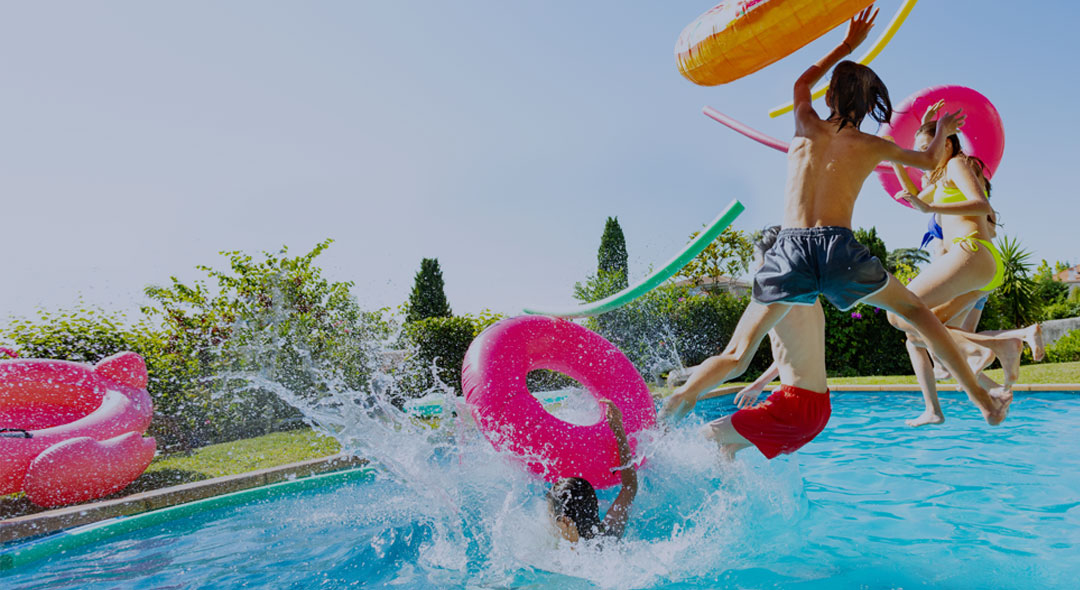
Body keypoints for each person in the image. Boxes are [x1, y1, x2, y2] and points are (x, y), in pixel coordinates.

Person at [659, 5, 1011, 427]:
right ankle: (982, 400)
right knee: (916, 314)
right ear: (867, 109)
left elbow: (801, 80)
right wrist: (942, 130)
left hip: (788, 250)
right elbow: (929, 157)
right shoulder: (870, 145)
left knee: (737, 356)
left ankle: (679, 399)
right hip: (838, 249)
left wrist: (847, 45)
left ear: (829, 96)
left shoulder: (806, 122)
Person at [887, 109, 1043, 425]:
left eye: (926, 147)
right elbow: (914, 197)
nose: (922, 155)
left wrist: (930, 206)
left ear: (946, 144)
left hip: (970, 253)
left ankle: (998, 344)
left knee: (897, 312)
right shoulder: (942, 176)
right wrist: (894, 158)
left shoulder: (957, 164)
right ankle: (936, 409)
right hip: (979, 264)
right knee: (921, 334)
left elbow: (982, 203)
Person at [702, 226, 831, 460]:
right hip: (819, 410)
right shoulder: (810, 295)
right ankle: (730, 496)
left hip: (794, 408)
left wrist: (690, 390)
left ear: (772, 258)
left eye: (756, 260)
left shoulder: (777, 294)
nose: (754, 268)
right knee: (727, 449)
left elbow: (736, 358)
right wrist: (759, 384)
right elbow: (789, 353)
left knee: (701, 436)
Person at [547, 399, 637, 543]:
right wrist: (619, 431)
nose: (548, 518)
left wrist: (572, 545)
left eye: (550, 514)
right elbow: (629, 486)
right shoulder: (609, 533)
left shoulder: (567, 557)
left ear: (564, 521)